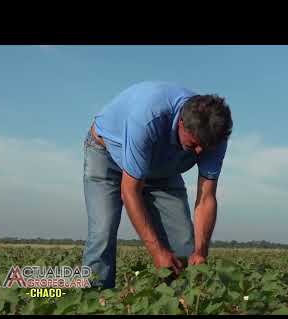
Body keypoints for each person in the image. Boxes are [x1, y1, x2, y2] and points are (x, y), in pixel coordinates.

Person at [82, 81, 233, 288]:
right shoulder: (147, 117)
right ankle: (93, 299)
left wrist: (201, 250)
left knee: (184, 246)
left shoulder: (214, 134)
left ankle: (180, 301)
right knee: (103, 234)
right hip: (106, 156)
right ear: (181, 123)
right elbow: (130, 191)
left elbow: (206, 198)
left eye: (204, 146)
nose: (199, 152)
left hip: (161, 166)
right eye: (194, 144)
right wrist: (157, 251)